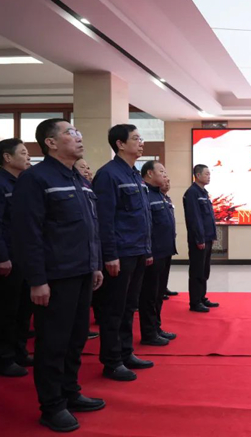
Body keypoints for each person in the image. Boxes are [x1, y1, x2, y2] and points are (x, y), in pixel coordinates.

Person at [11, 118, 105, 432]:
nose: (79, 137)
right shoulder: (36, 179)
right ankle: (51, 407)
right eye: (71, 133)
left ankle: (70, 392)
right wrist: (37, 280)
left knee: (76, 338)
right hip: (55, 277)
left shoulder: (78, 179)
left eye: (78, 132)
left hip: (82, 271)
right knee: (53, 342)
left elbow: (89, 228)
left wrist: (95, 264)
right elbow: (27, 233)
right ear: (50, 143)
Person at [92, 124, 153, 381]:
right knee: (113, 309)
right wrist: (110, 254)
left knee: (129, 307)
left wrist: (147, 249)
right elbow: (104, 219)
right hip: (121, 252)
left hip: (137, 250)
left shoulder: (134, 174)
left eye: (141, 138)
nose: (141, 142)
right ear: (120, 144)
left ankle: (126, 353)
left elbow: (142, 216)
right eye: (136, 138)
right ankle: (112, 361)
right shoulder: (108, 175)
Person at [0, 138, 32, 377]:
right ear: (7, 158)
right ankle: (3, 358)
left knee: (23, 309)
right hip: (8, 258)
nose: (28, 157)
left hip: (25, 257)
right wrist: (1, 256)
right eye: (24, 153)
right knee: (5, 311)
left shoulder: (24, 183)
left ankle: (19, 351)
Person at [138, 161, 177, 346]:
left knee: (159, 294)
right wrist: (147, 251)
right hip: (153, 253)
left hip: (165, 251)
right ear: (149, 173)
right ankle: (148, 333)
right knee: (149, 295)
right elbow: (144, 226)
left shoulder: (160, 195)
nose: (165, 175)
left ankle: (156, 328)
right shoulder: (144, 194)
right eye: (161, 171)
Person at [183, 164, 218, 312]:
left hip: (207, 238)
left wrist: (212, 235)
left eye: (210, 174)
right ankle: (195, 302)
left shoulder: (203, 193)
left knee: (204, 270)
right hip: (199, 240)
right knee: (197, 270)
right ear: (197, 175)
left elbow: (208, 217)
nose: (209, 176)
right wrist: (199, 239)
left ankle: (202, 297)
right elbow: (194, 218)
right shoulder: (192, 193)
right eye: (206, 174)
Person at [73, 156, 99, 340]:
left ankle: (81, 332)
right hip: (70, 257)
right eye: (83, 168)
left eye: (88, 167)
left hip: (90, 253)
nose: (88, 171)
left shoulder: (88, 188)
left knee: (84, 301)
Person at [161, 178, 178, 300]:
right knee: (160, 267)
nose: (167, 184)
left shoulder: (168, 199)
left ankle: (164, 287)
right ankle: (160, 290)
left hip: (169, 238)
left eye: (169, 182)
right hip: (160, 240)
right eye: (165, 182)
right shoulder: (155, 198)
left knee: (166, 266)